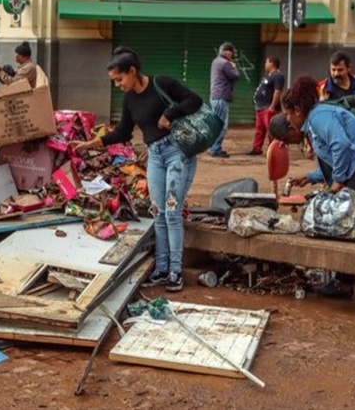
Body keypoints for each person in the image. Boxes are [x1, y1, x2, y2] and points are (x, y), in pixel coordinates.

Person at [71, 47, 202, 292]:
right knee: (158, 212)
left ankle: (175, 271)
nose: (118, 85)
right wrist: (91, 144)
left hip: (178, 154)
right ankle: (161, 268)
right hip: (155, 156)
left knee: (172, 213)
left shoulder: (161, 83)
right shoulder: (129, 99)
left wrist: (170, 112)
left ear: (132, 71)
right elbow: (123, 132)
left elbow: (195, 101)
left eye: (120, 79)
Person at [268, 76, 355, 201]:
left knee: (341, 216)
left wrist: (337, 182)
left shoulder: (317, 116)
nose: (287, 118)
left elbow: (341, 145)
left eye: (288, 114)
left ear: (297, 110)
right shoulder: (314, 121)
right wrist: (309, 177)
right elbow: (334, 161)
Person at [246, 56, 285, 156]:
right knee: (259, 130)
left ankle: (274, 150)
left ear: (272, 63)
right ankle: (257, 148)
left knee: (271, 131)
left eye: (267, 62)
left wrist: (272, 106)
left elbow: (278, 91)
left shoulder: (278, 76)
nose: (265, 64)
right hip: (260, 108)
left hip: (268, 108)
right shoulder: (268, 75)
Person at [208, 42, 240, 158]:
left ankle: (214, 147)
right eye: (231, 53)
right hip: (221, 98)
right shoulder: (225, 63)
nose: (232, 56)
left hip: (216, 97)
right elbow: (236, 76)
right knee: (221, 125)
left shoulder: (216, 61)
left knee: (216, 124)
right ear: (227, 52)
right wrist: (234, 67)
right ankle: (215, 149)